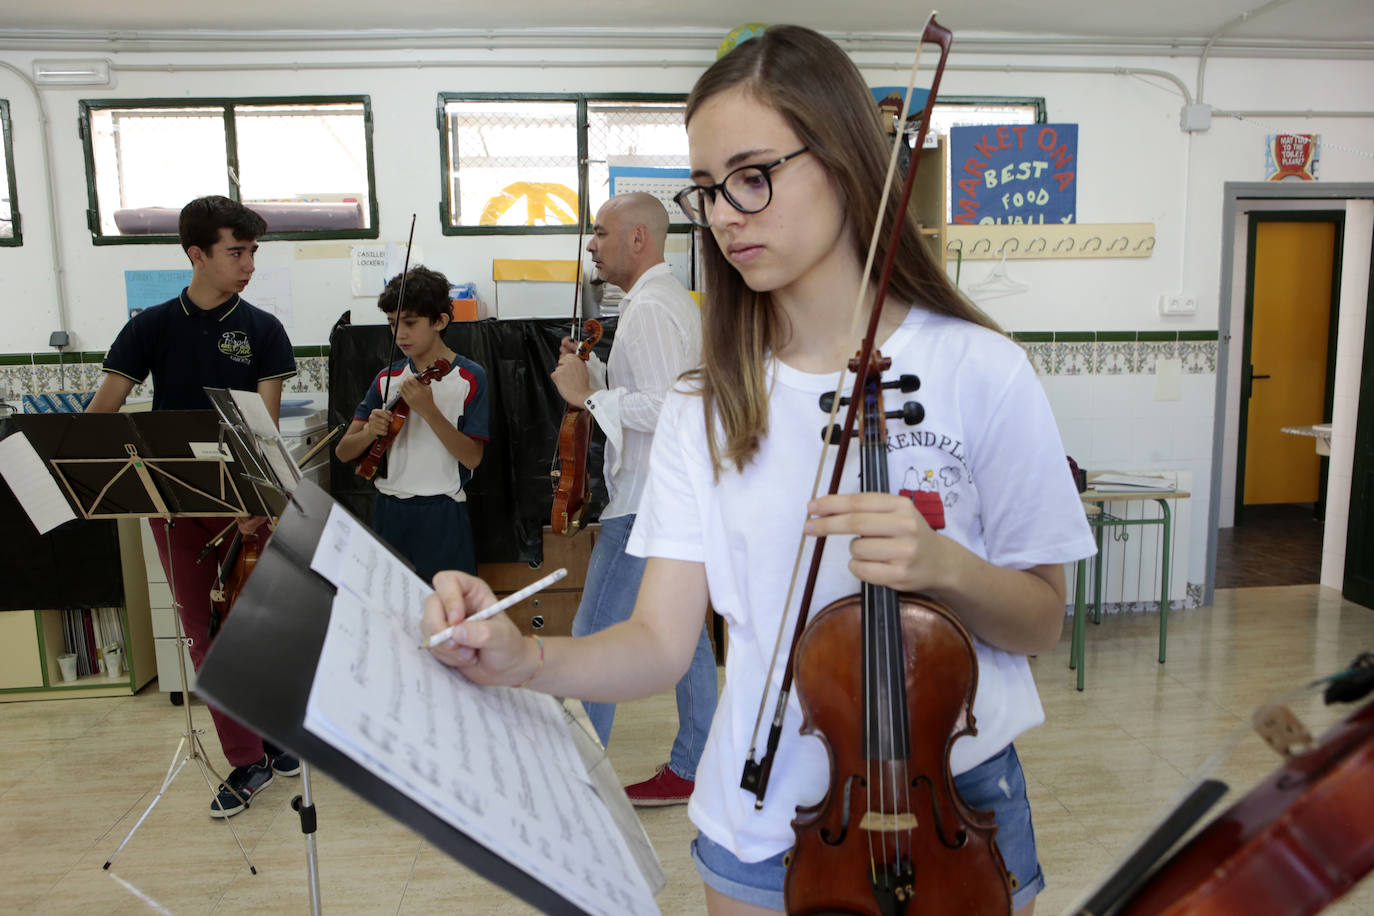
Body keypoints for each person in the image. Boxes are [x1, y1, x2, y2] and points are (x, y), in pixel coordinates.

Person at [421, 25, 1095, 916]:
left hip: (955, 808)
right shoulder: (709, 402)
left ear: (847, 158)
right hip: (757, 822)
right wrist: (525, 657)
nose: (728, 213)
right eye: (709, 190)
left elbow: (1042, 620)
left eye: (752, 175)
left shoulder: (983, 369)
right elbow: (661, 643)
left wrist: (945, 569)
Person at [87, 195, 300, 818]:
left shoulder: (263, 329)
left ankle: (271, 734)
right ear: (196, 254)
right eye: (237, 251)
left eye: (254, 251)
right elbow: (104, 411)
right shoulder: (150, 325)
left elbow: (264, 426)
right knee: (204, 633)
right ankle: (247, 761)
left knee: (256, 629)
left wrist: (257, 504)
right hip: (174, 502)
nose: (249, 263)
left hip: (245, 504)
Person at [549, 192, 717, 806]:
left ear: (638, 239)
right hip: (668, 494)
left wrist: (584, 399)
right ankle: (695, 764)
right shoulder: (663, 301)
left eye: (600, 231)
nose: (592, 243)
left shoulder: (649, 309)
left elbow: (669, 409)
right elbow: (651, 393)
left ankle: (578, 782)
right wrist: (590, 380)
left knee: (596, 634)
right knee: (688, 636)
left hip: (645, 500)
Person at [335, 265, 489, 580]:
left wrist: (430, 411)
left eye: (410, 323)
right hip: (390, 511)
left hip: (444, 512)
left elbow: (473, 457)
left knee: (448, 612)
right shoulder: (386, 379)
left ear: (440, 321)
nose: (399, 334)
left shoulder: (470, 377)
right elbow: (343, 452)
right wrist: (369, 432)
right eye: (392, 324)